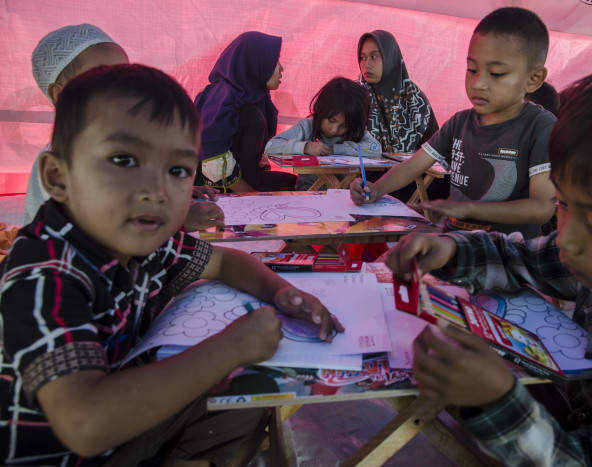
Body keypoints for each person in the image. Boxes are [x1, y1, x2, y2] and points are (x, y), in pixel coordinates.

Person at [0, 64, 343, 466]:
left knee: (255, 385)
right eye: (124, 159)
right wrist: (232, 346)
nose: (157, 191)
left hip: (129, 422)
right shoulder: (44, 274)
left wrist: (283, 293)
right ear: (58, 177)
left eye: (178, 170)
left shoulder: (138, 239)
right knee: (238, 365)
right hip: (69, 453)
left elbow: (222, 261)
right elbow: (85, 424)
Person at [385, 46, 592, 465]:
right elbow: (521, 259)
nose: (567, 239)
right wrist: (449, 249)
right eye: (566, 205)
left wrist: (499, 402)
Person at [351, 8, 556, 239]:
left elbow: (542, 208)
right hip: (452, 244)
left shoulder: (541, 128)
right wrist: (376, 189)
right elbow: (413, 165)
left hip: (505, 255)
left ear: (533, 79)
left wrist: (468, 209)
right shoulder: (460, 122)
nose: (479, 83)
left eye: (496, 73)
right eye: (472, 70)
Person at [24, 23, 224, 232]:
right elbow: (100, 233)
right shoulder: (65, 159)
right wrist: (177, 222)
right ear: (60, 95)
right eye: (103, 78)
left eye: (125, 75)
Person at [194, 31, 297, 193]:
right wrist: (251, 197)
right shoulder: (222, 98)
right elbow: (211, 156)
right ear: (254, 62)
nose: (281, 68)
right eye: (275, 61)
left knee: (292, 184)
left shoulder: (254, 96)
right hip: (214, 187)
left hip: (243, 179)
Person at [264, 76, 382, 190]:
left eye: (344, 126)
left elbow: (376, 149)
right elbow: (270, 146)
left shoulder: (353, 131)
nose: (334, 129)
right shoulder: (307, 127)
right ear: (320, 110)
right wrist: (305, 147)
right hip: (308, 192)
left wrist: (336, 149)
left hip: (346, 195)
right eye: (331, 121)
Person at [357, 29, 438, 154]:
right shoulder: (355, 95)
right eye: (363, 57)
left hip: (409, 172)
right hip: (360, 172)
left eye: (375, 56)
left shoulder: (415, 99)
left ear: (391, 57)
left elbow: (436, 149)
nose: (367, 64)